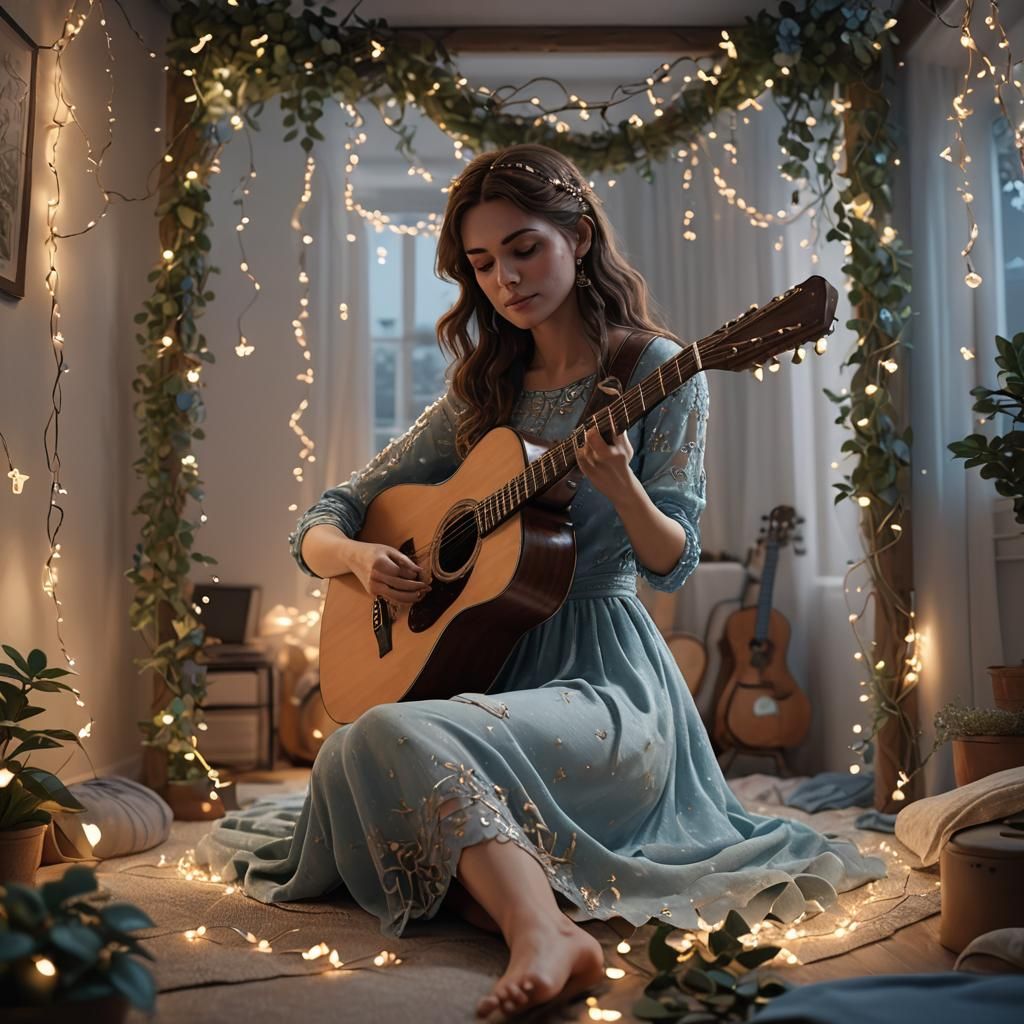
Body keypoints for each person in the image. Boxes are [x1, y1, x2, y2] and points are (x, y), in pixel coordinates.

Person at [196, 143, 886, 1020]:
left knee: (389, 746)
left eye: (523, 249)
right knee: (358, 742)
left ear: (579, 236)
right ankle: (547, 925)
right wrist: (362, 558)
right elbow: (330, 514)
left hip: (605, 681)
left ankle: (534, 930)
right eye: (482, 264)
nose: (504, 279)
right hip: (485, 670)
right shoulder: (485, 391)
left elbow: (672, 557)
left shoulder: (656, 369)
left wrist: (623, 487)